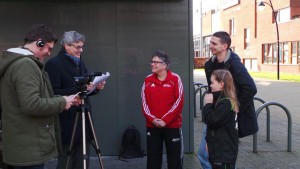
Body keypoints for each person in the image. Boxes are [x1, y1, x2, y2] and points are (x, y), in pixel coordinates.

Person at [0, 24, 77, 169]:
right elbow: (32, 104)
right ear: (39, 42)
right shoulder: (25, 65)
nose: (49, 53)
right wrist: (62, 101)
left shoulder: (15, 63)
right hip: (28, 149)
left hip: (20, 145)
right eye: (48, 48)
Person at [45, 31, 105, 169]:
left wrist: (95, 87)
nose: (81, 50)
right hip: (67, 120)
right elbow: (53, 93)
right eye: (78, 47)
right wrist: (81, 89)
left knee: (83, 160)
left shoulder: (79, 62)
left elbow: (84, 89)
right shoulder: (54, 64)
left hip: (84, 118)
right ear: (67, 46)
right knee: (66, 160)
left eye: (82, 47)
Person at [198, 31, 257, 169]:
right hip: (214, 113)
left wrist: (236, 106)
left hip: (227, 116)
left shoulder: (235, 65)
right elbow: (213, 88)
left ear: (224, 46)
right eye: (210, 42)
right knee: (204, 153)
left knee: (223, 154)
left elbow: (250, 88)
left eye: (214, 43)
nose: (210, 46)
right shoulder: (210, 65)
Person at [141, 50, 184, 169]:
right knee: (153, 160)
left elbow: (179, 102)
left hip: (172, 126)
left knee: (174, 160)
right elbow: (144, 103)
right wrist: (153, 120)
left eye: (156, 62)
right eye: (152, 61)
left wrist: (165, 120)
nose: (152, 64)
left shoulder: (175, 79)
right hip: (152, 126)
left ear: (165, 65)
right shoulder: (147, 80)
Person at [203, 69, 239, 169]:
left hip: (224, 154)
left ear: (222, 84)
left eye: (212, 82)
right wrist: (208, 141)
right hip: (218, 150)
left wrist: (208, 105)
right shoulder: (221, 99)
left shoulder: (225, 103)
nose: (210, 85)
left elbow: (212, 121)